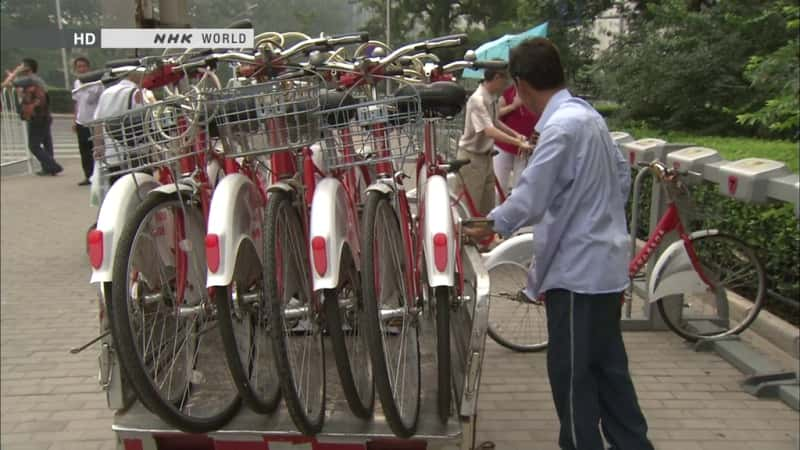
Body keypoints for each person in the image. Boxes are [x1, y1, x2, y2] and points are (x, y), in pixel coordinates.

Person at [465, 38, 654, 450]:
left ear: (520, 83)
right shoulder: (589, 117)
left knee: (572, 377)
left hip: (577, 274)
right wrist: (596, 215)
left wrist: (489, 224)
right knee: (609, 369)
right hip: (604, 265)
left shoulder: (560, 127)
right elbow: (621, 178)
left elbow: (530, 197)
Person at [457, 67, 533, 217]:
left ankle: (486, 238)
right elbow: (489, 130)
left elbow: (495, 122)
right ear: (497, 77)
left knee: (487, 204)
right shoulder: (478, 99)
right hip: (471, 158)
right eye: (505, 81)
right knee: (471, 205)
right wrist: (517, 143)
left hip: (485, 157)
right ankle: (468, 239)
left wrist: (516, 135)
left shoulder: (491, 97)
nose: (505, 85)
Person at [2, 58, 63, 176]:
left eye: (21, 65)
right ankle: (48, 168)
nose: (19, 66)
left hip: (36, 116)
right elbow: (20, 91)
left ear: (27, 67)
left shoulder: (30, 79)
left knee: (34, 146)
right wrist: (14, 76)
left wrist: (15, 72)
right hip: (45, 115)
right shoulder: (37, 79)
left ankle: (54, 166)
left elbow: (6, 84)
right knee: (46, 142)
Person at [494, 84, 539, 197]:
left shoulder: (536, 94)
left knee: (520, 183)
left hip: (525, 146)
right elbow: (496, 114)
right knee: (500, 182)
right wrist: (513, 106)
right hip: (504, 145)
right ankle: (498, 209)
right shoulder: (509, 92)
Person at [72, 56, 103, 186]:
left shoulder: (97, 83)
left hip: (94, 122)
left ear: (88, 68)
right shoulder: (77, 83)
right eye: (79, 67)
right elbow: (77, 102)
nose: (82, 69)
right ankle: (88, 176)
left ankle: (99, 176)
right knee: (84, 151)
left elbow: (98, 101)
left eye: (84, 66)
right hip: (81, 121)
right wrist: (74, 120)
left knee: (96, 150)